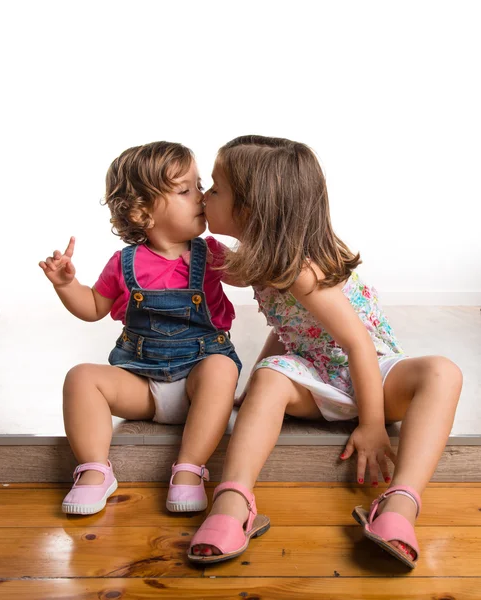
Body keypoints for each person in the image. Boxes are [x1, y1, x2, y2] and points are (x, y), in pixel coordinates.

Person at [188, 135, 462, 569]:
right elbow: (291, 329)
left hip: (372, 374)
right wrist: (259, 389)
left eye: (216, 188)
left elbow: (357, 344)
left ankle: (400, 503)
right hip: (317, 381)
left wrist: (372, 425)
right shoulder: (265, 262)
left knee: (443, 372)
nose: (205, 196)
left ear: (251, 208)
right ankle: (232, 502)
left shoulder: (301, 269)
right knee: (267, 376)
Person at [39, 141, 242, 516]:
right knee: (81, 378)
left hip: (199, 382)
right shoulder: (124, 263)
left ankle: (188, 468)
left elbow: (252, 275)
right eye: (186, 190)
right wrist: (67, 285)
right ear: (143, 211)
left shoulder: (210, 252)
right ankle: (95, 470)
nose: (201, 196)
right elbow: (93, 308)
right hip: (143, 387)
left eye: (201, 185)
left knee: (222, 368)